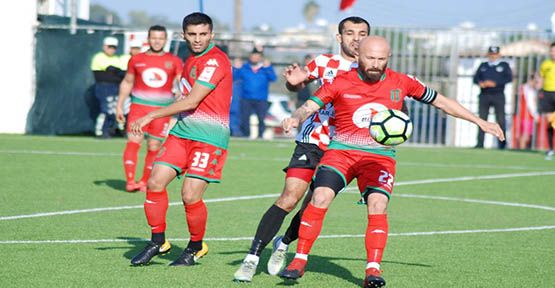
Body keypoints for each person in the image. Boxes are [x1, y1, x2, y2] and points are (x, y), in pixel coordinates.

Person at [278, 36, 505, 287]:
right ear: (358, 57)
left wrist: (480, 122)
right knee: (320, 197)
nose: (375, 64)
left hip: (380, 157)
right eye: (370, 58)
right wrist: (296, 118)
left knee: (378, 204)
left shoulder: (402, 82)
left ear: (388, 58)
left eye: (381, 59)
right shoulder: (341, 81)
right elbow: (309, 105)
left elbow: (441, 101)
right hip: (341, 151)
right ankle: (299, 260)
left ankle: (372, 270)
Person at [233, 16, 370, 282]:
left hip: (342, 147)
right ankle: (251, 258)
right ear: (339, 37)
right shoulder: (324, 62)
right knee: (289, 196)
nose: (356, 38)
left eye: (362, 33)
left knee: (312, 204)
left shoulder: (372, 70)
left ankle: (283, 243)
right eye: (350, 33)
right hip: (312, 139)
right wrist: (293, 82)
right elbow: (297, 82)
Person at [128, 12, 232, 267]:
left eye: (203, 34)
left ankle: (196, 246)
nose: (198, 39)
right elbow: (185, 100)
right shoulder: (190, 60)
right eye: (193, 34)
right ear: (183, 35)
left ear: (212, 35)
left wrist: (151, 114)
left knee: (190, 195)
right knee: (154, 182)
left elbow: (193, 100)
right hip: (182, 133)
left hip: (209, 137)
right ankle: (158, 241)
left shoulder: (215, 61)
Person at [115, 25, 183, 193]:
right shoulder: (136, 59)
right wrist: (119, 105)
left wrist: (180, 93)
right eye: (154, 37)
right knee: (134, 141)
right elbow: (127, 82)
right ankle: (130, 181)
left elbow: (182, 83)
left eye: (160, 38)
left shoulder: (174, 61)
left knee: (154, 146)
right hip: (138, 108)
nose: (157, 41)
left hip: (161, 111)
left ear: (165, 40)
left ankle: (144, 182)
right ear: (148, 39)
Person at [473, 46, 512, 149]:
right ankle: (480, 144)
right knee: (481, 119)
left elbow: (509, 78)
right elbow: (475, 78)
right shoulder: (483, 66)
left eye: (495, 54)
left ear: (499, 55)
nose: (493, 56)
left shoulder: (504, 66)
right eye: (491, 54)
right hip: (484, 95)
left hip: (498, 95)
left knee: (500, 119)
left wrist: (495, 83)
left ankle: (502, 144)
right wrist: (480, 83)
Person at [234, 47, 277, 138]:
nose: (254, 58)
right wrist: (236, 68)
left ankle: (260, 136)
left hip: (261, 98)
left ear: (260, 57)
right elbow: (234, 77)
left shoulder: (264, 68)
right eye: (253, 56)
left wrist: (268, 68)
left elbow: (273, 78)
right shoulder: (244, 67)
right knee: (245, 119)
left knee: (261, 119)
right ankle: (246, 135)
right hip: (246, 98)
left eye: (257, 56)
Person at [91, 36, 125, 138]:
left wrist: (118, 72)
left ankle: (111, 130)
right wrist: (118, 72)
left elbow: (121, 72)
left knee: (115, 110)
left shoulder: (116, 58)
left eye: (114, 47)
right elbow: (111, 69)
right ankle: (100, 131)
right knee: (105, 109)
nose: (111, 49)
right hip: (103, 87)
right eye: (109, 47)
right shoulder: (99, 57)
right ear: (104, 47)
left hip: (115, 87)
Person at [539, 42, 555, 160]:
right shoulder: (545, 64)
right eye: (552, 51)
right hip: (548, 94)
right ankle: (550, 149)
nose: (553, 53)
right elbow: (541, 78)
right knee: (550, 123)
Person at [516, 74, 539, 150]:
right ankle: (521, 150)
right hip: (526, 115)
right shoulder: (526, 88)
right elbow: (531, 104)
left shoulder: (528, 89)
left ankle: (523, 149)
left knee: (528, 135)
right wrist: (535, 115)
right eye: (535, 81)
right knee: (525, 135)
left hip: (529, 115)